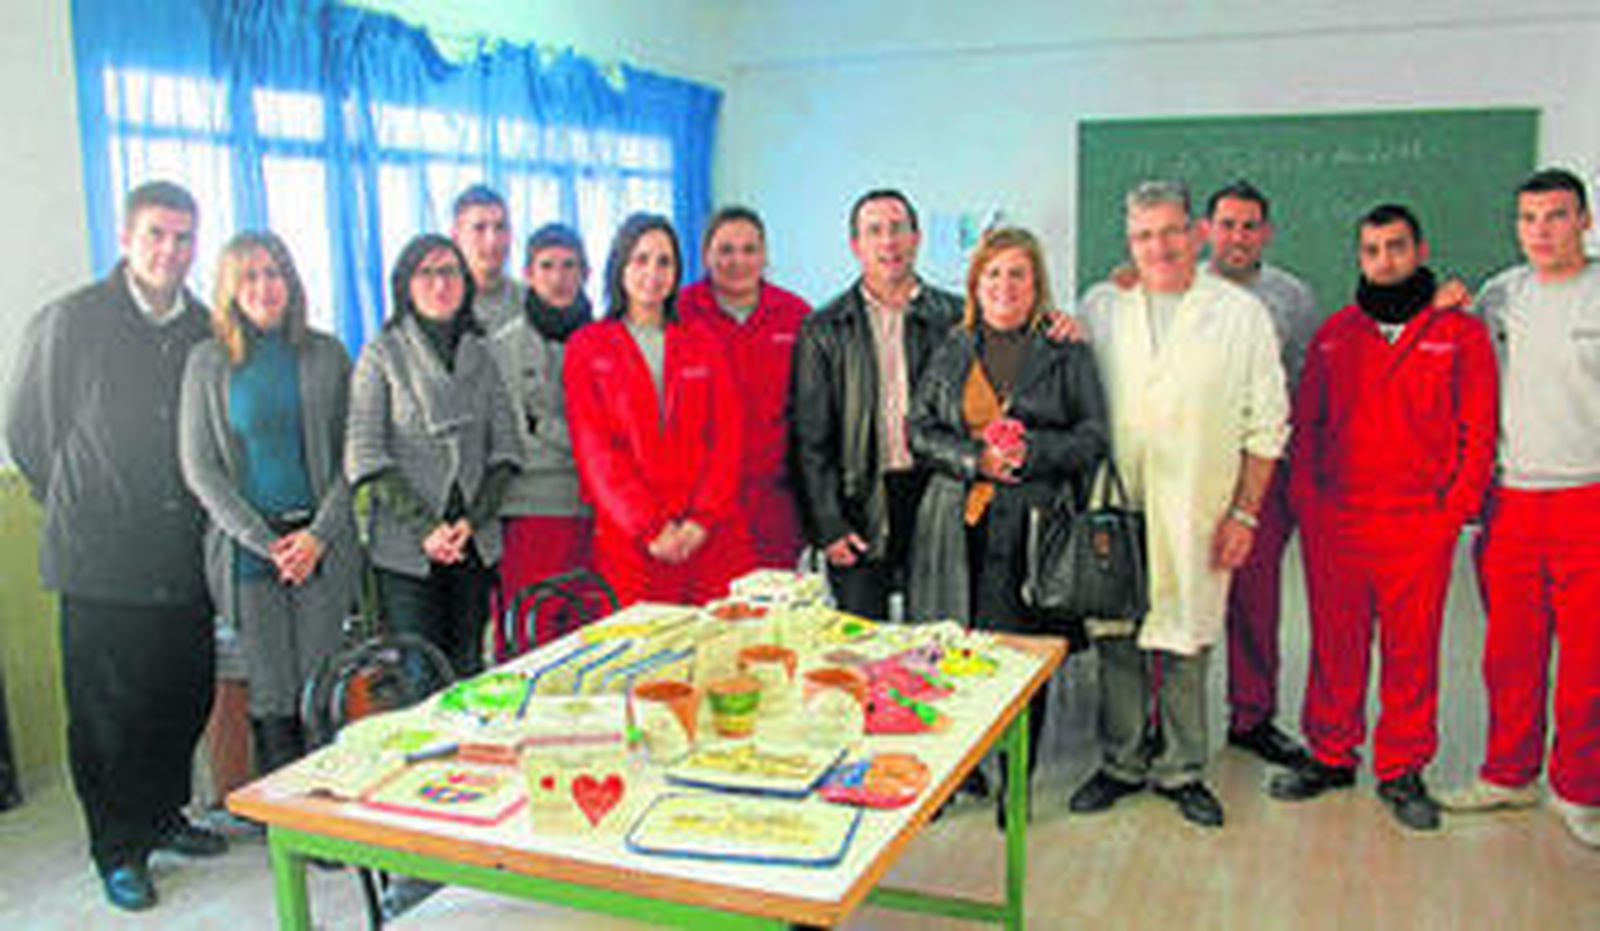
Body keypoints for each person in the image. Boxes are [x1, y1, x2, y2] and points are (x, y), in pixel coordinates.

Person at [5, 180, 227, 911]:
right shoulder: (72, 321)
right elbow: (29, 431)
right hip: (99, 557)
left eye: (184, 237)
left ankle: (164, 815)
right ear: (127, 238)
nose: (171, 250)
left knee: (180, 693)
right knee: (107, 713)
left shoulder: (203, 325)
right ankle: (117, 844)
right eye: (157, 234)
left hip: (181, 552)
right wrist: (78, 494)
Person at [1269, 204, 1497, 831]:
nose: (1384, 260)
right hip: (1338, 521)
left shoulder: (1460, 332)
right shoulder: (1337, 333)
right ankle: (1331, 754)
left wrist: (1451, 513)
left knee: (1411, 651)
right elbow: (1307, 426)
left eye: (1396, 247)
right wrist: (1310, 506)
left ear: (1420, 250)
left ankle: (1401, 768)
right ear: (1360, 258)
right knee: (1336, 647)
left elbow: (1480, 432)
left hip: (1418, 524)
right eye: (1371, 250)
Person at [1069, 180, 1288, 828]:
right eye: (1142, 235)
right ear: (1128, 241)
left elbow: (1267, 424)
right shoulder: (1102, 304)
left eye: (1169, 231)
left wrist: (1245, 513)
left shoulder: (1239, 313)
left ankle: (1182, 767)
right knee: (1117, 635)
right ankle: (1121, 760)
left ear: (1195, 233)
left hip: (1200, 505)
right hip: (1117, 501)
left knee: (1190, 636)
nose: (1157, 246)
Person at [907, 226, 1109, 825]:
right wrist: (977, 460)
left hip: (1034, 525)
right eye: (993, 273)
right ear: (976, 282)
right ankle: (959, 773)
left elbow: (1094, 437)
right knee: (954, 654)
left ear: (1036, 282)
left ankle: (1015, 782)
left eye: (1018, 273)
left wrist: (1033, 454)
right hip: (954, 525)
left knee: (1022, 660)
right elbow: (918, 431)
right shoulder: (951, 346)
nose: (1004, 286)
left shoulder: (1065, 349)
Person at [1441, 168, 1600, 849]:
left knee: (1590, 662)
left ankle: (1579, 788)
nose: (1542, 230)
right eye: (1530, 217)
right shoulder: (1500, 294)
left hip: (1589, 496)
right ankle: (1509, 772)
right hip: (1509, 501)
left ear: (1586, 221)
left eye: (1557, 216)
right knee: (1510, 653)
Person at [179, 231, 361, 775]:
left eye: (274, 273)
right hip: (248, 551)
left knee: (320, 679)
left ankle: (330, 803)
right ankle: (284, 811)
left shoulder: (326, 353)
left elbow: (353, 456)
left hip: (321, 545)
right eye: (250, 275)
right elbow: (200, 469)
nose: (264, 286)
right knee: (271, 687)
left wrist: (316, 537)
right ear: (230, 287)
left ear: (291, 281)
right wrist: (267, 542)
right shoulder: (207, 362)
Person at [346, 234, 522, 677]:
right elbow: (365, 455)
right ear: (405, 283)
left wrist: (471, 521)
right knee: (419, 677)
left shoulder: (481, 352)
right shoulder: (381, 353)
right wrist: (427, 528)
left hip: (473, 543)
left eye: (450, 272)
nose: (440, 284)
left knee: (468, 671)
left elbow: (506, 449)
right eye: (426, 273)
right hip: (408, 548)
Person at [563, 213, 754, 605]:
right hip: (631, 541)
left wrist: (701, 520)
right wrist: (649, 527)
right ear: (620, 267)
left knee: (718, 655)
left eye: (664, 261)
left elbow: (727, 438)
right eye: (640, 259)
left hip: (708, 536)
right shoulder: (588, 346)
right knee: (642, 657)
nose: (653, 272)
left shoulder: (703, 342)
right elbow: (596, 452)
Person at [792, 189, 964, 619]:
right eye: (874, 231)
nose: (888, 242)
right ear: (856, 245)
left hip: (936, 495)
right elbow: (811, 440)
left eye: (897, 228)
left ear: (916, 237)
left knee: (939, 643)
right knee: (862, 648)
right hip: (859, 501)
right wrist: (828, 526)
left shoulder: (957, 318)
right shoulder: (823, 328)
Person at [1201, 181, 1321, 767]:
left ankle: (1253, 716)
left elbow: (1301, 387)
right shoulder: (1174, 287)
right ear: (1206, 231)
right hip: (1191, 476)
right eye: (1227, 224)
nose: (1238, 236)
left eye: (1250, 225)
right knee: (1179, 599)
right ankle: (1162, 722)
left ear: (1266, 232)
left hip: (1260, 475)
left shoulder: (1294, 298)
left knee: (1255, 602)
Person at [678, 206, 812, 569]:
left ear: (765, 256)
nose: (738, 261)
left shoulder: (796, 315)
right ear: (706, 255)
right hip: (698, 505)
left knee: (770, 614)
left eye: (749, 250)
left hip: (775, 501)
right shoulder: (680, 312)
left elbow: (813, 411)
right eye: (725, 250)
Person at [487, 223, 594, 652]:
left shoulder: (604, 337)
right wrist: (589, 446)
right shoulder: (501, 347)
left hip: (595, 509)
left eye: (569, 266)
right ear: (528, 273)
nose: (559, 277)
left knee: (588, 636)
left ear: (585, 274)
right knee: (532, 638)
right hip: (530, 510)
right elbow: (516, 436)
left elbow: (617, 430)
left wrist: (548, 428)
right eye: (547, 266)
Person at [452, 184, 522, 333]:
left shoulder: (531, 302)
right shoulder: (439, 303)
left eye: (500, 227)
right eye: (479, 228)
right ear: (456, 237)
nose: (492, 240)